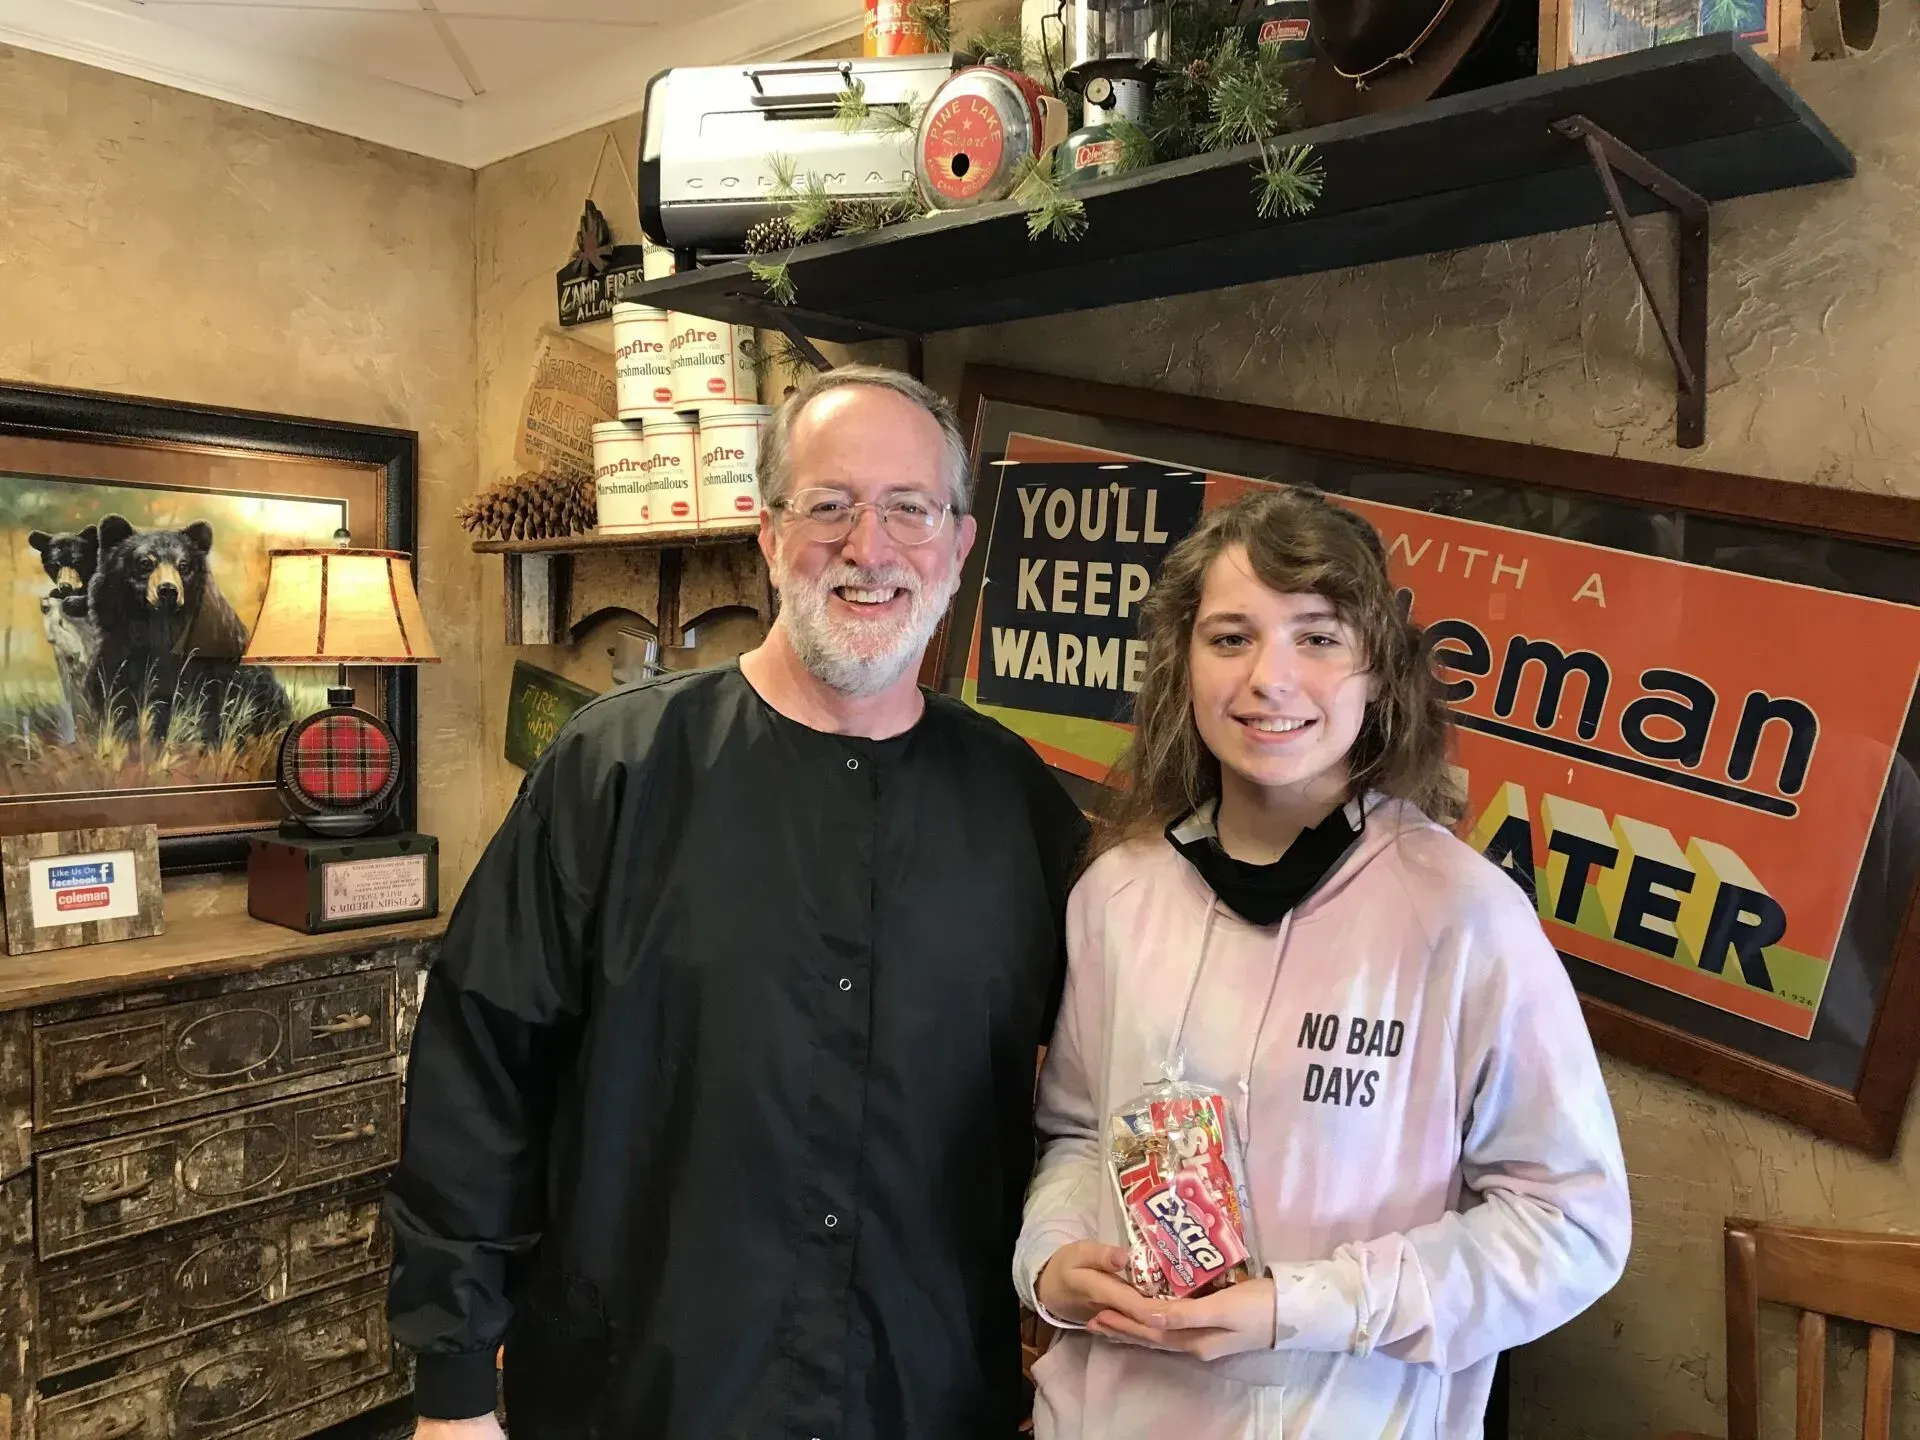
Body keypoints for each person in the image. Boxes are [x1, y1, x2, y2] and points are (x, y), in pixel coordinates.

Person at [385, 365, 1089, 1440]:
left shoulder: (1019, 806)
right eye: (829, 505)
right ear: (769, 535)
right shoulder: (614, 770)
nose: (870, 547)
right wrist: (451, 1389)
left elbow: (1096, 1089)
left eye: (909, 510)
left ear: (955, 544)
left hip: (925, 1398)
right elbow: (481, 1069)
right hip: (644, 1395)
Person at [1014, 487, 1630, 1438]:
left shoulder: (1464, 918)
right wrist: (1052, 1261)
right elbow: (1078, 1135)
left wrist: (1304, 1305)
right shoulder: (1116, 894)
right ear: (1182, 666)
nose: (1270, 679)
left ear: (1379, 671)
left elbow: (1571, 1229)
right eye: (1229, 638)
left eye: (1318, 637)